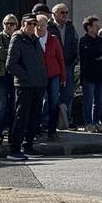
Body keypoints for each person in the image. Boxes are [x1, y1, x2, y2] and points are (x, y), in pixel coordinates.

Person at [5, 14, 46, 162]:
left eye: (35, 24)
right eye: (29, 23)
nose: (33, 26)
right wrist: (25, 76)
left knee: (35, 117)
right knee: (21, 116)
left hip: (38, 84)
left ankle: (28, 145)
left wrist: (43, 78)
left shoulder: (34, 39)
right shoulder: (17, 39)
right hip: (24, 85)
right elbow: (11, 64)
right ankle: (14, 148)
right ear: (23, 23)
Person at [49, 4, 80, 130]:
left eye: (66, 12)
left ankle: (67, 120)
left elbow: (76, 44)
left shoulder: (70, 27)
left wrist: (75, 60)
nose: (65, 15)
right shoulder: (49, 27)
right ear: (54, 14)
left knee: (68, 94)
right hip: (53, 66)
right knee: (53, 95)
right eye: (62, 12)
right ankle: (50, 121)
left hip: (68, 65)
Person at [78, 15, 102, 133]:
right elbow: (88, 54)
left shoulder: (101, 40)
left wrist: (100, 54)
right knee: (88, 100)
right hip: (88, 76)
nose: (98, 28)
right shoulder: (83, 40)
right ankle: (88, 123)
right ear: (89, 27)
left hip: (101, 75)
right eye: (96, 26)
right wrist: (100, 53)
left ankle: (96, 122)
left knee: (99, 101)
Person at [37, 9, 66, 141]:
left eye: (42, 25)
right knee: (38, 102)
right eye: (37, 25)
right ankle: (38, 128)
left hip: (53, 75)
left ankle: (52, 131)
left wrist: (63, 77)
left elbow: (60, 59)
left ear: (46, 26)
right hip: (38, 76)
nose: (40, 27)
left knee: (53, 101)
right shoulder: (32, 39)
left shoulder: (53, 39)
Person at [0, 15, 18, 148]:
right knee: (1, 106)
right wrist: (15, 52)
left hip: (15, 76)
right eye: (6, 23)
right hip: (1, 76)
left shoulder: (19, 37)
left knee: (14, 106)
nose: (8, 26)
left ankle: (13, 134)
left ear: (16, 25)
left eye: (11, 23)